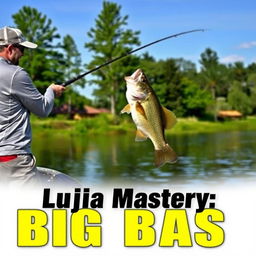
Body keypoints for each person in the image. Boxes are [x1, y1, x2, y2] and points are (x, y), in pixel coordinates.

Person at [0, 26, 65, 186]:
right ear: (10, 48)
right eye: (21, 48)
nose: (22, 53)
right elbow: (42, 109)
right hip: (13, 159)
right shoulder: (15, 73)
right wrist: (51, 91)